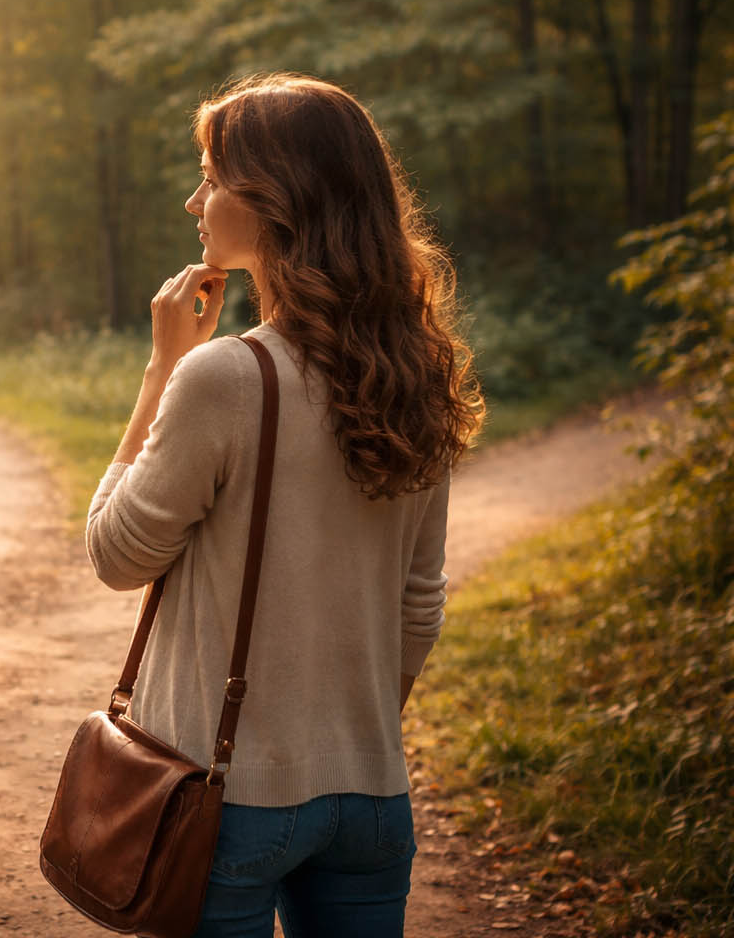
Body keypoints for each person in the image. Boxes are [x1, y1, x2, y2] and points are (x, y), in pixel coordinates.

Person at [84, 72, 485, 938]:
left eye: (213, 176)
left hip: (225, 799)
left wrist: (160, 371)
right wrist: (346, 742)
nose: (196, 198)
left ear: (275, 198)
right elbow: (420, 607)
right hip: (373, 799)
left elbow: (117, 556)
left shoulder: (225, 375)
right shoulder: (419, 374)